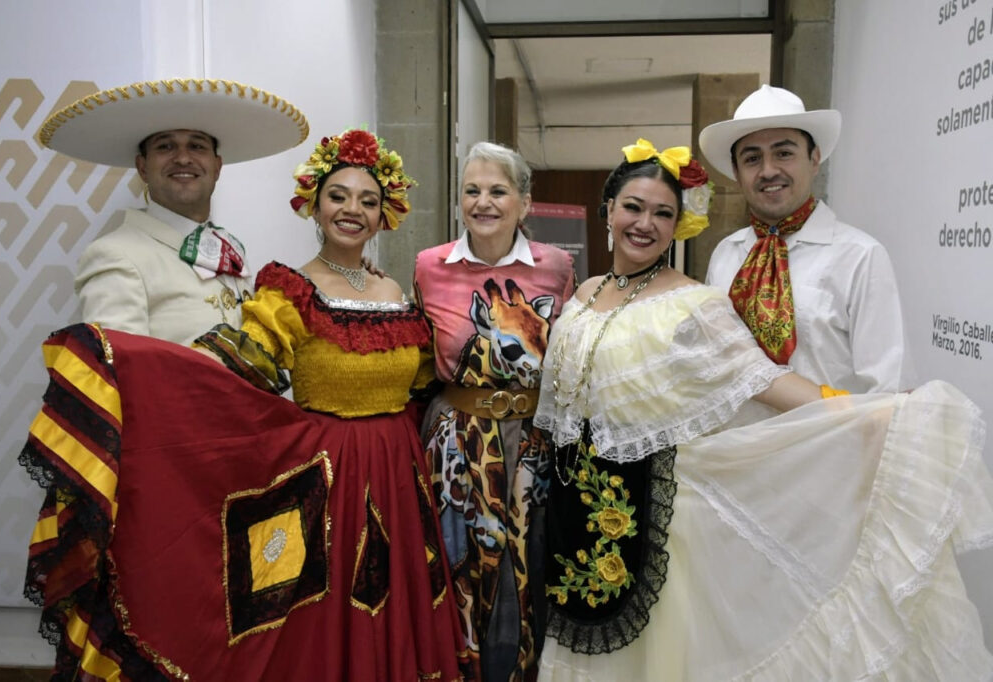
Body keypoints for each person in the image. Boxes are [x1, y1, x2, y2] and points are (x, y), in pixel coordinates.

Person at [20, 129, 473, 681]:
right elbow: (234, 372)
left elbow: (426, 383)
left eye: (368, 200)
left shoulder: (397, 294)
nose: (352, 209)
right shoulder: (288, 289)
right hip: (327, 477)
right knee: (312, 616)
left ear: (385, 215)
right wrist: (126, 368)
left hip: (399, 476)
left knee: (394, 600)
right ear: (314, 205)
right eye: (337, 196)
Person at [533, 139, 993, 680]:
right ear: (607, 209)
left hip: (654, 511)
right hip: (577, 509)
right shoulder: (584, 292)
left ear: (678, 225)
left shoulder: (692, 303)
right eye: (633, 207)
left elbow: (762, 378)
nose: (645, 223)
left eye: (663, 213)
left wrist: (869, 412)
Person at [414, 141, 576, 681]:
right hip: (456, 443)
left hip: (531, 442)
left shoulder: (556, 268)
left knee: (529, 562)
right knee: (461, 563)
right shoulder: (429, 266)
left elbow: (569, 357)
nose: (484, 202)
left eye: (498, 191)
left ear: (524, 203)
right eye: (472, 190)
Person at [38, 78, 309, 344]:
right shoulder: (114, 255)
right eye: (165, 146)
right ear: (142, 167)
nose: (182, 157)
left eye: (197, 145)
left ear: (217, 167)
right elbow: (125, 377)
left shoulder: (230, 247)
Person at [701, 84, 911, 394]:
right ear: (736, 171)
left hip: (825, 441)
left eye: (784, 153)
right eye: (752, 159)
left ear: (814, 159)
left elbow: (887, 387)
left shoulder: (860, 257)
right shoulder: (725, 255)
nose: (768, 170)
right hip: (732, 440)